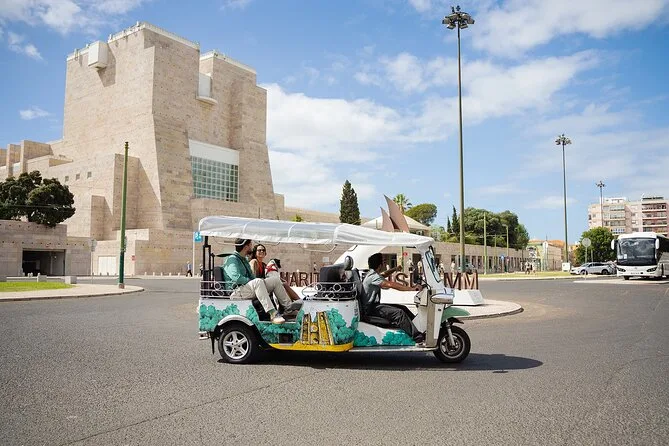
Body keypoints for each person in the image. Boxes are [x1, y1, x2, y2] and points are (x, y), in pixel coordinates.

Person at [223, 239, 293, 324]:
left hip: (246, 289)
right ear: (246, 247)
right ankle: (273, 314)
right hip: (236, 292)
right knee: (257, 282)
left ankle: (289, 309)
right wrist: (254, 281)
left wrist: (261, 281)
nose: (251, 248)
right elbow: (237, 278)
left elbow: (252, 277)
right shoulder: (232, 259)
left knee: (275, 280)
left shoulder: (244, 259)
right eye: (250, 245)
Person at [362, 253, 424, 343]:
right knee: (399, 313)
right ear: (380, 265)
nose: (385, 263)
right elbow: (390, 284)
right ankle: (417, 337)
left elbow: (384, 274)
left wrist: (395, 269)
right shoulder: (373, 277)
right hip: (371, 309)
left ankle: (418, 327)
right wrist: (412, 289)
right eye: (383, 261)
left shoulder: (373, 274)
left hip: (373, 306)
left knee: (403, 308)